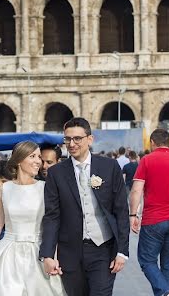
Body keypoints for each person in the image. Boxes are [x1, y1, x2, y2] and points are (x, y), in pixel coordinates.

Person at [41, 117, 130, 296]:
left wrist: (122, 251)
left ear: (90, 139)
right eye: (67, 139)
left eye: (77, 139)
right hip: (70, 252)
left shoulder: (109, 167)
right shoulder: (56, 173)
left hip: (103, 250)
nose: (71, 144)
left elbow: (120, 210)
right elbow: (52, 216)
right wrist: (47, 255)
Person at [0, 141, 65, 296]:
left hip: (38, 253)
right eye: (33, 156)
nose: (39, 161)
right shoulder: (5, 189)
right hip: (8, 254)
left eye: (39, 157)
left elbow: (53, 226)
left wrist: (53, 257)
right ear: (19, 160)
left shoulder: (45, 188)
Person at [129, 128, 169, 296]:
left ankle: (165, 292)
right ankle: (167, 292)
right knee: (168, 266)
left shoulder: (147, 160)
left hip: (153, 219)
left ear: (152, 143)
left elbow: (136, 191)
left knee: (146, 260)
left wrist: (133, 215)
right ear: (168, 143)